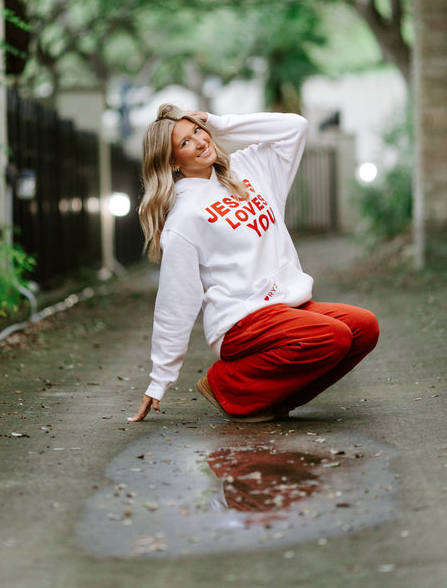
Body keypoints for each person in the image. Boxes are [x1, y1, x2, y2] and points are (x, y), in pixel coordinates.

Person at [128, 104, 379, 423]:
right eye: (185, 142)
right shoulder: (185, 216)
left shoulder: (248, 168)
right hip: (241, 320)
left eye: (197, 130)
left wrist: (219, 123)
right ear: (173, 161)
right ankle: (227, 385)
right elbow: (177, 299)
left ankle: (269, 401)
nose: (200, 141)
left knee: (363, 328)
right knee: (333, 336)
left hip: (285, 306)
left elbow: (295, 127)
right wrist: (160, 378)